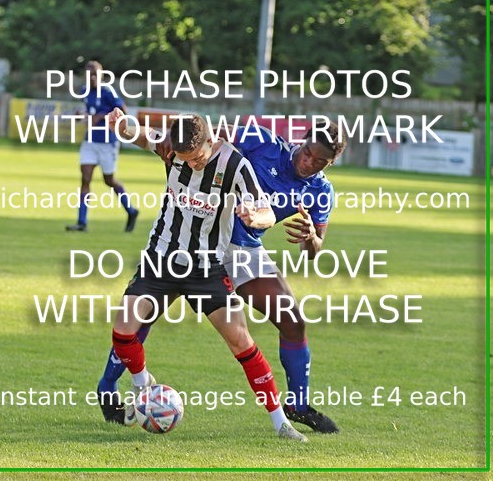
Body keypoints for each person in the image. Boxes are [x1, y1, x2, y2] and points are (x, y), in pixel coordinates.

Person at [97, 119, 346, 434]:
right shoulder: (263, 141)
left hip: (244, 248)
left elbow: (315, 248)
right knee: (143, 313)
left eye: (320, 161)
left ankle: (297, 406)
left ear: (330, 164)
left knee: (292, 321)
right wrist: (174, 144)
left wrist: (311, 237)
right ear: (303, 139)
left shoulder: (321, 190)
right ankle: (107, 386)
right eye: (307, 152)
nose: (309, 162)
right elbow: (208, 133)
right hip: (199, 240)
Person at [65, 61, 139, 232]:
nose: (91, 77)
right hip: (90, 141)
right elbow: (89, 113)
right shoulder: (84, 91)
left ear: (101, 75)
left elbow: (124, 114)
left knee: (109, 181)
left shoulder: (108, 92)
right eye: (89, 74)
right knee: (85, 178)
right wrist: (81, 116)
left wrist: (102, 117)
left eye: (95, 74)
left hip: (108, 142)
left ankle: (131, 210)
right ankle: (81, 222)